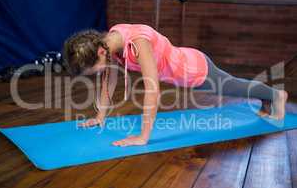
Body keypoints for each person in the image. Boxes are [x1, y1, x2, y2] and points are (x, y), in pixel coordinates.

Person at [63, 24, 288, 147]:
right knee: (235, 86)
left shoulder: (137, 43)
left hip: (195, 70)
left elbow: (152, 89)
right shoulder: (110, 40)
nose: (99, 72)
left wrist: (143, 137)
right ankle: (268, 98)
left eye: (95, 69)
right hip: (181, 69)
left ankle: (277, 95)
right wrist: (100, 117)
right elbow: (108, 80)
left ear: (100, 51)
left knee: (235, 88)